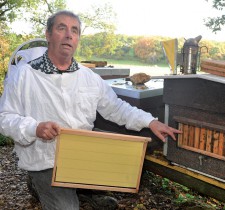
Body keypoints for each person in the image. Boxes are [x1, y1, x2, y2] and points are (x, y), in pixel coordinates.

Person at [0, 10, 181, 210]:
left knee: (115, 166)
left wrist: (150, 122)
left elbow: (117, 108)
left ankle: (84, 191)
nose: (69, 34)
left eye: (75, 30)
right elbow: (4, 117)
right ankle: (41, 184)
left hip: (80, 155)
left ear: (77, 39)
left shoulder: (89, 77)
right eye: (62, 28)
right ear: (48, 35)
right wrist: (35, 128)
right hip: (45, 159)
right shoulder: (24, 75)